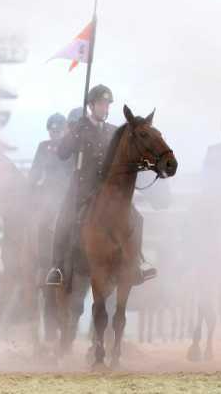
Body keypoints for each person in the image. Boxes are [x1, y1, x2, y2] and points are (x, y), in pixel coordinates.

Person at [45, 84, 157, 286]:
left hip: (107, 190)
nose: (105, 108)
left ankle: (138, 261)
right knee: (64, 219)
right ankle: (57, 267)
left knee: (137, 218)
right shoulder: (80, 129)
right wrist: (73, 132)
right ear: (91, 105)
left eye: (107, 105)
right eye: (101, 104)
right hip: (82, 188)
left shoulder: (114, 131)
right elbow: (62, 153)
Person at [28, 112, 73, 340]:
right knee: (39, 224)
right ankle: (41, 264)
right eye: (52, 130)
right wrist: (31, 187)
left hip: (68, 197)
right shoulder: (43, 147)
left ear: (66, 129)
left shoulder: (72, 147)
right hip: (49, 197)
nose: (55, 134)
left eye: (59, 130)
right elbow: (35, 173)